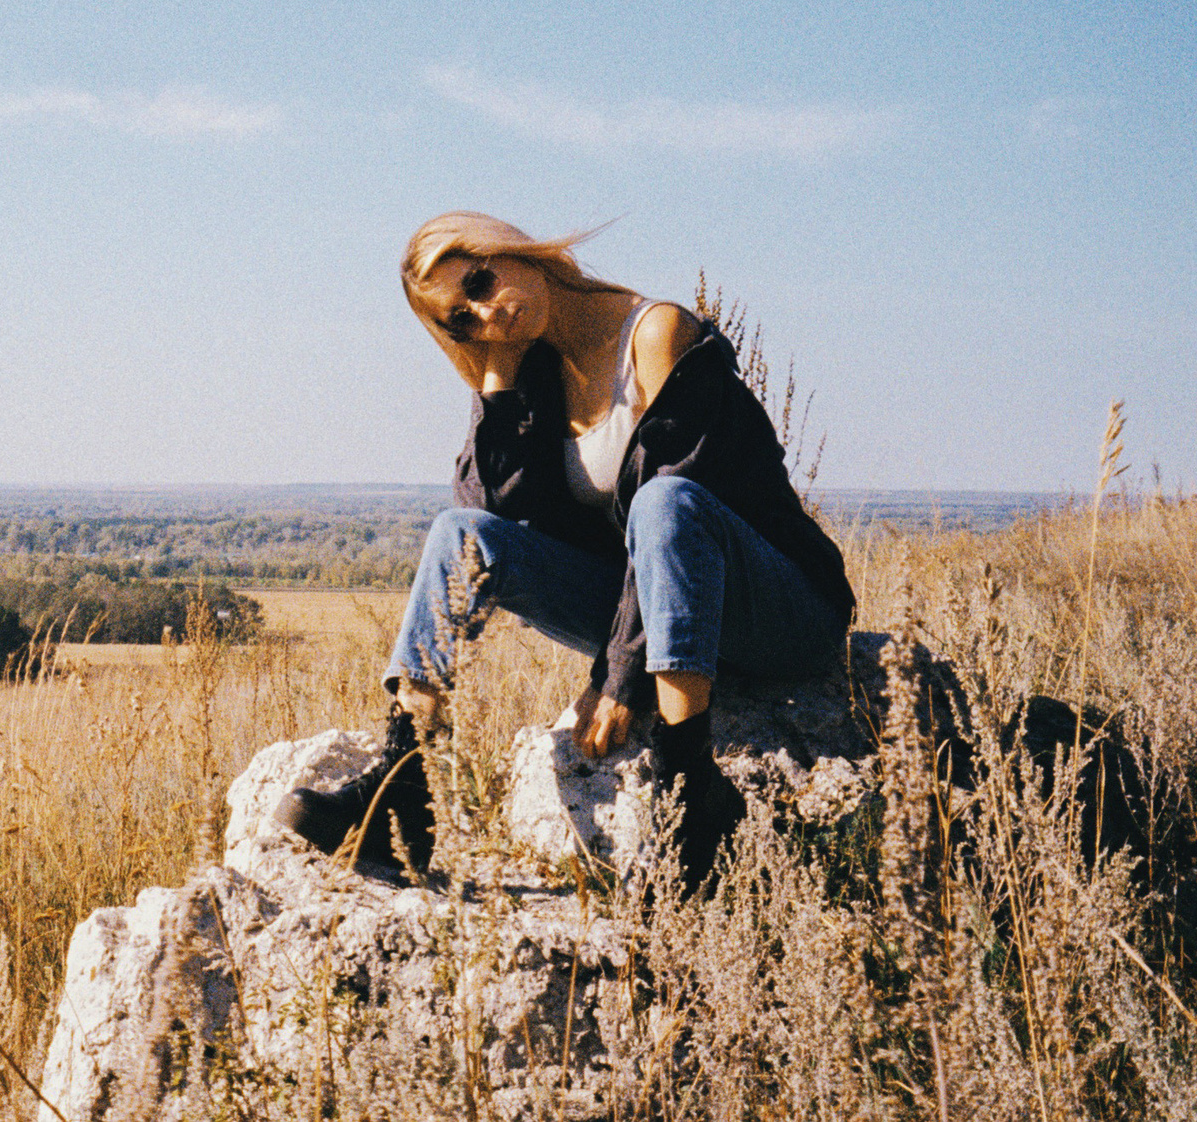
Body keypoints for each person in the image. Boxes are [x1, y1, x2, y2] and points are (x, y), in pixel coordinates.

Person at [277, 213, 855, 888]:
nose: (487, 312)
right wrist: (498, 381)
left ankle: (692, 798)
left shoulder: (657, 333)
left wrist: (619, 675)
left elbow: (676, 512)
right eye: (461, 320)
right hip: (663, 618)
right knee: (457, 537)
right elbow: (486, 514)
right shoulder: (534, 374)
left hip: (779, 609)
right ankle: (403, 788)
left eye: (481, 281)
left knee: (664, 503)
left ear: (513, 252)